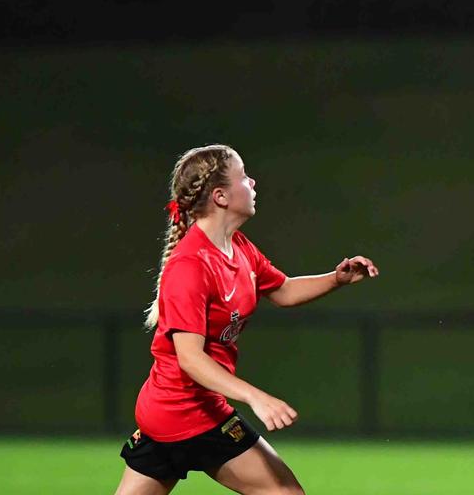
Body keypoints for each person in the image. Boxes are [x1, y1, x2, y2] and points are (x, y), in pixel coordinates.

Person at [114, 144, 379, 495]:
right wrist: (257, 398)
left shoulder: (238, 247)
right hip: (185, 412)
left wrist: (336, 278)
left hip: (182, 410)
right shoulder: (190, 266)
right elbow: (190, 359)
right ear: (221, 196)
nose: (252, 182)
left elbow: (283, 290)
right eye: (243, 177)